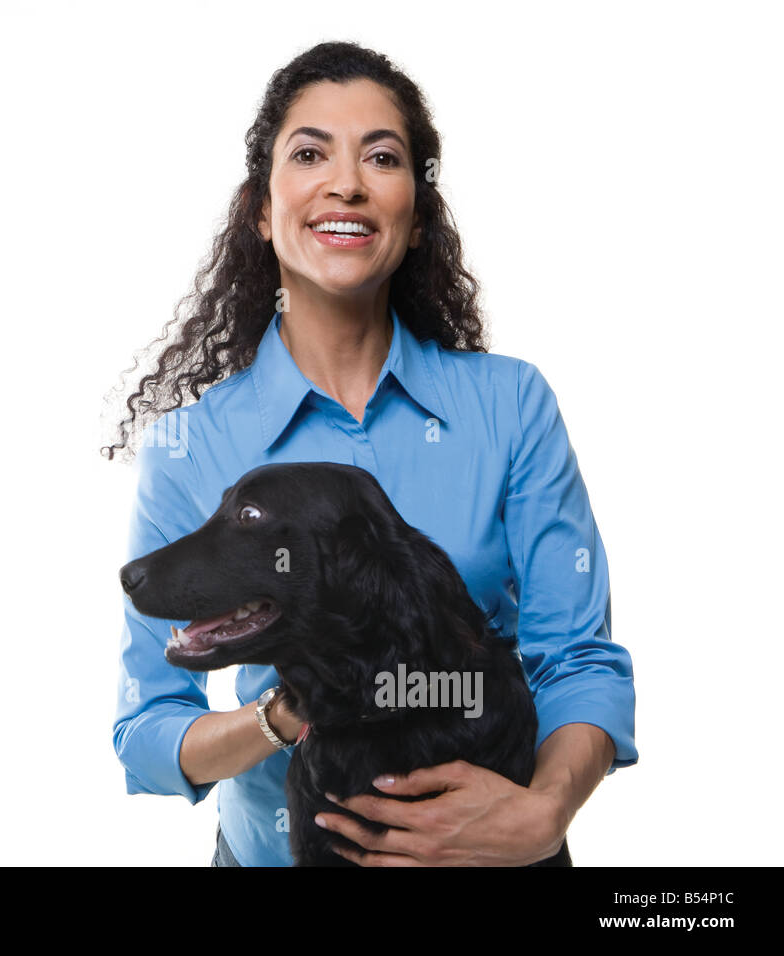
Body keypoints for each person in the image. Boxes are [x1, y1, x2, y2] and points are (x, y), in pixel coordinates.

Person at [102, 41, 636, 867]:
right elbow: (148, 727)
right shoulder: (192, 443)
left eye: (381, 158)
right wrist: (287, 716)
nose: (345, 182)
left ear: (416, 213)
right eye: (309, 153)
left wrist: (544, 814)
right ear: (260, 205)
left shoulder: (509, 406)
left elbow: (577, 657)